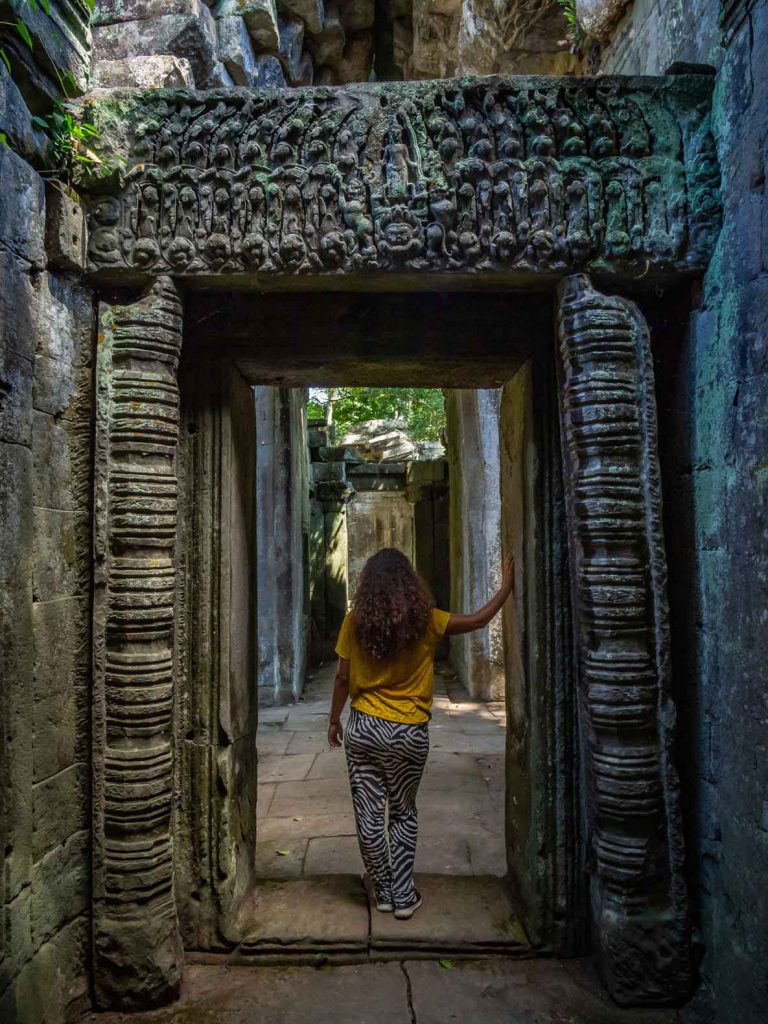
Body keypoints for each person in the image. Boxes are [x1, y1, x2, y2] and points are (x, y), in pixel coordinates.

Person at [328, 547, 515, 920]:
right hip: (408, 732)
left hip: (364, 728)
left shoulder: (354, 622)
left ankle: (381, 891)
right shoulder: (427, 621)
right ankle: (403, 895)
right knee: (402, 811)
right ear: (409, 583)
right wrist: (506, 587)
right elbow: (478, 621)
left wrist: (334, 720)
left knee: (368, 815)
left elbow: (342, 678)